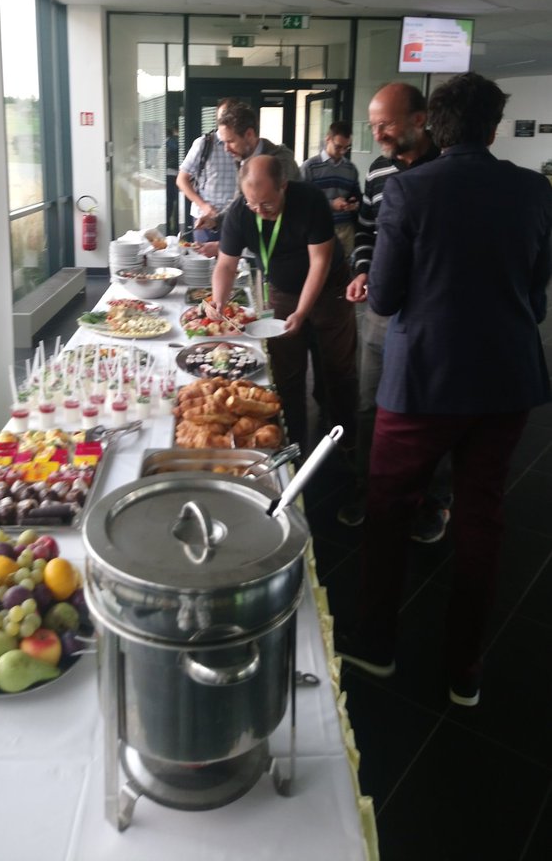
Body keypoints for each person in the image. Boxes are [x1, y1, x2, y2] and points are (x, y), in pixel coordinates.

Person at [337, 72, 552, 707]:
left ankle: (376, 644)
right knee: (482, 517)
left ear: (434, 124)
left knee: (389, 507)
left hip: (423, 380)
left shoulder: (408, 189)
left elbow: (385, 296)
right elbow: (537, 293)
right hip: (506, 380)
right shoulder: (535, 190)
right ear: (494, 128)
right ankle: (465, 668)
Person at [343, 83, 450, 540]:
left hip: (432, 316)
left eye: (385, 124)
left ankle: (432, 499)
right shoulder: (378, 171)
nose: (378, 134)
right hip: (382, 311)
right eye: (373, 126)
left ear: (419, 120)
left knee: (430, 410)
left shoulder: (447, 168)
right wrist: (362, 269)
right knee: (369, 403)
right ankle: (369, 488)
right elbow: (366, 231)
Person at [211, 154, 358, 457]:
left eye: (267, 204)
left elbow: (320, 262)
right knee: (286, 372)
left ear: (283, 187)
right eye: (252, 204)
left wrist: (302, 312)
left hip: (329, 290)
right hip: (282, 292)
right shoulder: (240, 212)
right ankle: (294, 445)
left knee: (336, 367)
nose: (259, 211)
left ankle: (345, 440)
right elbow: (225, 265)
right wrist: (219, 300)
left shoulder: (310, 201)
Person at [176, 98, 240, 243]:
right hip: (206, 220)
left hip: (234, 217)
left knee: (235, 257)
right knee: (203, 257)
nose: (226, 119)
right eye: (223, 115)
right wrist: (204, 206)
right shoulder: (204, 144)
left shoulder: (243, 145)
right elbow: (181, 179)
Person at [301, 121, 361, 260]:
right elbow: (302, 201)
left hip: (346, 228)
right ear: (328, 139)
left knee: (345, 268)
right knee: (320, 266)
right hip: (319, 228)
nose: (343, 152)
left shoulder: (351, 168)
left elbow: (356, 195)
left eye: (346, 148)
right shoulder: (309, 167)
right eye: (338, 147)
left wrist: (354, 203)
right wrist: (331, 204)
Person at [216, 102, 300, 181]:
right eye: (224, 142)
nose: (226, 148)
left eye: (230, 141)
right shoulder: (241, 158)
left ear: (249, 134)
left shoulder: (281, 161)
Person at [165, 127, 179, 234]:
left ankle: (169, 223)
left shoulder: (169, 143)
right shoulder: (175, 142)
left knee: (170, 200)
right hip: (175, 173)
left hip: (170, 173)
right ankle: (173, 223)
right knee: (174, 199)